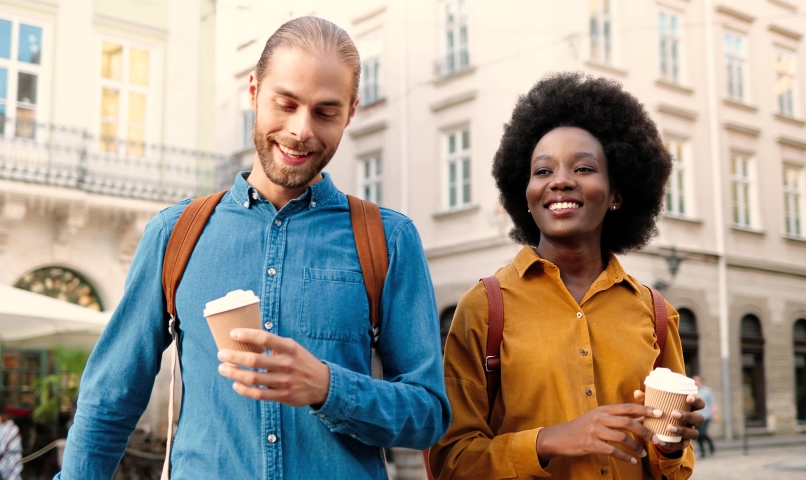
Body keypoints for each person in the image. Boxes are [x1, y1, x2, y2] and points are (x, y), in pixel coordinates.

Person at [57, 16, 450, 479]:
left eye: (325, 112)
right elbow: (110, 399)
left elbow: (428, 415)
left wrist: (328, 387)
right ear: (253, 91)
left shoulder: (389, 240)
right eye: (285, 103)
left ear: (351, 111)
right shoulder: (174, 233)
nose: (301, 129)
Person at [429, 73, 705, 479]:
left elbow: (673, 469)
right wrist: (551, 440)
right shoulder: (485, 309)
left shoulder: (656, 314)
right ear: (524, 193)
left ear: (616, 194)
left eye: (583, 167)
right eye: (542, 171)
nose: (560, 180)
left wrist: (670, 445)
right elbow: (449, 461)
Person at [0, 406, 22, 480]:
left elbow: (5, 446)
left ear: (1, 416)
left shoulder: (11, 427)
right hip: (2, 454)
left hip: (10, 456)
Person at [693, 375, 717, 458]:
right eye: (694, 380)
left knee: (702, 433)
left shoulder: (707, 391)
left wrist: (715, 414)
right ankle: (702, 451)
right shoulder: (692, 391)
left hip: (706, 415)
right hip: (695, 417)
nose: (696, 382)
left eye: (697, 380)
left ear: (701, 381)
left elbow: (712, 403)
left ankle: (711, 446)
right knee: (697, 434)